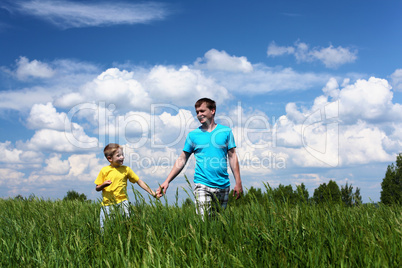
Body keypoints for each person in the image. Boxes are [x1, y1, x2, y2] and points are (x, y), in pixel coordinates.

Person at [157, 98, 243, 218]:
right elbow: (182, 159)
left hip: (223, 185)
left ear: (212, 110)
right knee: (204, 222)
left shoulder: (226, 131)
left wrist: (238, 182)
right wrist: (167, 181)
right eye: (197, 112)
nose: (199, 114)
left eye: (202, 111)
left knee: (218, 222)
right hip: (202, 184)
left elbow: (232, 156)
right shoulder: (193, 135)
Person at [95, 143, 156, 229]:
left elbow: (139, 181)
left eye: (122, 155)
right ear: (110, 159)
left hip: (123, 203)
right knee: (104, 228)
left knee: (126, 226)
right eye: (118, 155)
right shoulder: (104, 170)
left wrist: (152, 193)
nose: (122, 157)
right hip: (107, 205)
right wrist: (103, 185)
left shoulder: (126, 169)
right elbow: (97, 188)